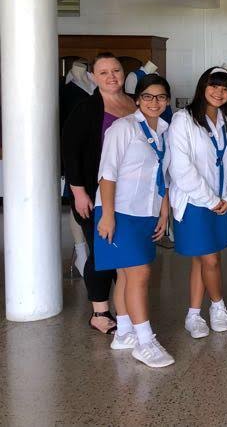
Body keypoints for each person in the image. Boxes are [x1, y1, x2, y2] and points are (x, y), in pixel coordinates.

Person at [94, 74, 174, 368]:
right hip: (121, 210)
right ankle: (145, 340)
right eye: (149, 96)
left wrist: (164, 210)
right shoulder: (123, 128)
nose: (155, 102)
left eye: (161, 97)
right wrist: (108, 215)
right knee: (139, 275)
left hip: (146, 210)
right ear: (137, 99)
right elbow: (107, 173)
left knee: (127, 276)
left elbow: (163, 175)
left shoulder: (164, 130)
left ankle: (125, 333)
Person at [62, 52, 137, 334]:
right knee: (102, 252)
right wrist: (79, 192)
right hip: (94, 193)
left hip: (130, 194)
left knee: (123, 251)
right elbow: (71, 153)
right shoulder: (86, 108)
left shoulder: (133, 102)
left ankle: (126, 307)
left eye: (115, 70)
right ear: (94, 77)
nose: (111, 76)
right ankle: (100, 312)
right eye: (104, 72)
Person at [169, 67, 227, 339]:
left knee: (204, 259)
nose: (218, 92)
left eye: (225, 89)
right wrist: (211, 200)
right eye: (213, 86)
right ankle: (217, 306)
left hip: (221, 202)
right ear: (202, 87)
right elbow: (181, 168)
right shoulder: (183, 120)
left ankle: (192, 314)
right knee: (209, 258)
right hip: (195, 202)